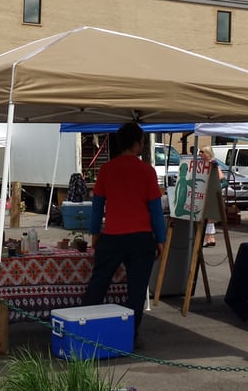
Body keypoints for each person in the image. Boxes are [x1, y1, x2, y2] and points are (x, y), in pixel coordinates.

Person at [83, 122, 166, 346]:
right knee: (136, 291)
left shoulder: (106, 169)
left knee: (98, 284)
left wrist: (95, 233)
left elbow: (97, 205)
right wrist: (161, 239)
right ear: (138, 143)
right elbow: (155, 209)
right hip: (141, 238)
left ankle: (85, 329)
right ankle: (129, 335)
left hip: (112, 236)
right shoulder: (146, 171)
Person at [199, 146, 224, 247]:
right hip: (206, 191)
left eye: (202, 152)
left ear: (207, 153)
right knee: (207, 216)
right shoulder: (204, 163)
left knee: (208, 215)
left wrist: (210, 180)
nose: (200, 154)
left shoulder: (213, 163)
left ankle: (208, 237)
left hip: (211, 192)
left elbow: (221, 176)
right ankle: (210, 237)